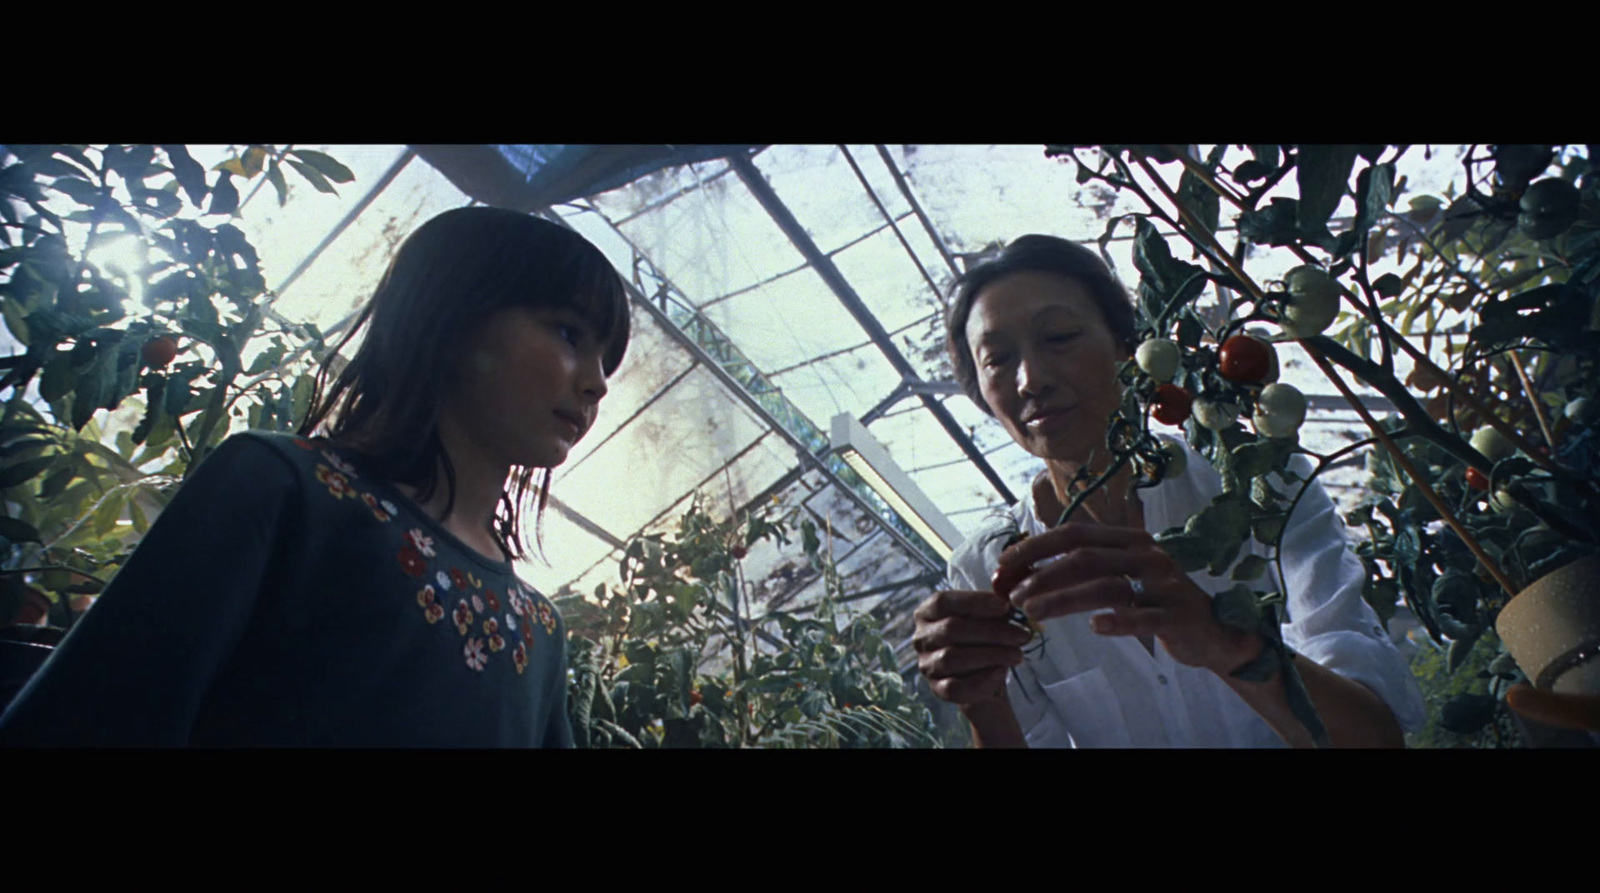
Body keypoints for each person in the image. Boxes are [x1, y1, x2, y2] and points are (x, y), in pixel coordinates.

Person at [0, 206, 629, 746]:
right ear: (452, 318)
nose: (598, 381)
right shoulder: (281, 490)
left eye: (607, 358)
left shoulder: (540, 633)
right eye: (570, 333)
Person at [912, 234, 1426, 748]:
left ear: (1125, 346)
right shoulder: (988, 571)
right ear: (980, 391)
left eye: (1061, 337)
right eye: (997, 359)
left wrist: (1231, 647)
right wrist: (982, 702)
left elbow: (1376, 736)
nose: (1031, 379)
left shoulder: (1262, 487)